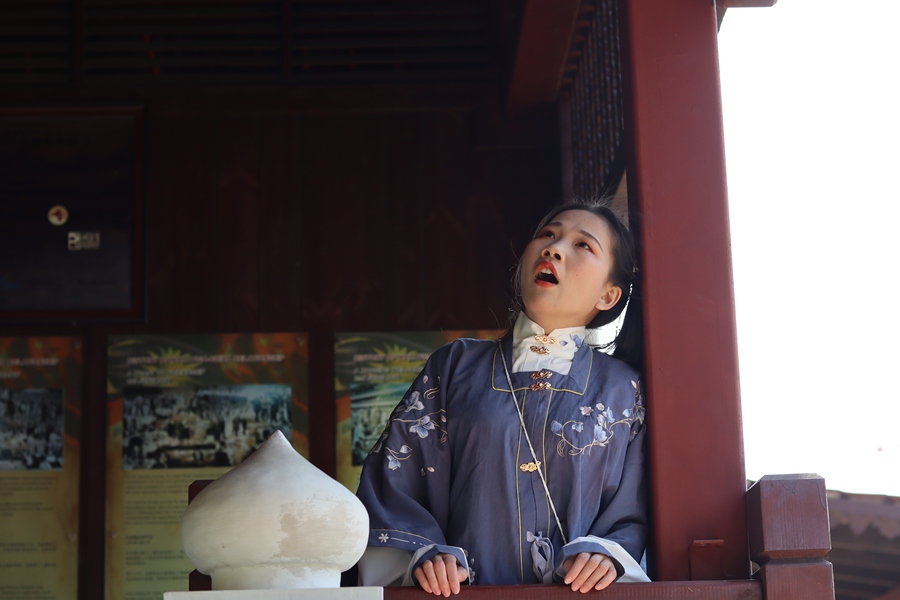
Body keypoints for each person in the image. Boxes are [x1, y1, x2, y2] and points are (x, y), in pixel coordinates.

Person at [356, 198, 648, 595]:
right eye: (548, 234)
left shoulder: (624, 389)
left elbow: (636, 510)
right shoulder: (455, 366)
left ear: (608, 296)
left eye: (583, 244)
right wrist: (424, 554)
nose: (553, 248)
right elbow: (393, 486)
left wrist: (609, 554)